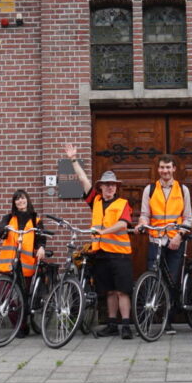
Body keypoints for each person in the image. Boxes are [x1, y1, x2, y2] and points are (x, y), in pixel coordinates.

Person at [65, 143, 135, 340]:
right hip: (101, 253)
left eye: (113, 185)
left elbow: (123, 225)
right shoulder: (95, 200)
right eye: (106, 184)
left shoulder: (123, 204)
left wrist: (103, 232)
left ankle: (126, 326)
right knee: (109, 291)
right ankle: (112, 325)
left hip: (120, 255)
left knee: (122, 292)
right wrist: (73, 160)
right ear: (101, 187)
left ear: (116, 187)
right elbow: (83, 179)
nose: (110, 187)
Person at [137, 154, 192, 335]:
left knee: (171, 280)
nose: (165, 171)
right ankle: (146, 320)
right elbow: (145, 214)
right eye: (162, 167)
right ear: (158, 169)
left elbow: (188, 218)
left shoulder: (183, 189)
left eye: (168, 167)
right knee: (152, 278)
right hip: (156, 240)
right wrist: (141, 224)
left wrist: (179, 236)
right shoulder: (150, 189)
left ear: (174, 169)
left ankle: (168, 321)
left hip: (175, 240)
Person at [0, 189, 47, 338]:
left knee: (24, 297)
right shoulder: (8, 218)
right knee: (5, 296)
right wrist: (3, 231)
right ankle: (19, 325)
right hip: (9, 264)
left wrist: (41, 247)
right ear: (14, 203)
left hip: (27, 265)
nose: (20, 201)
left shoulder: (35, 219)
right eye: (17, 199)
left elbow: (41, 238)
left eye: (22, 198)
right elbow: (0, 232)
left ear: (27, 200)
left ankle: (23, 325)